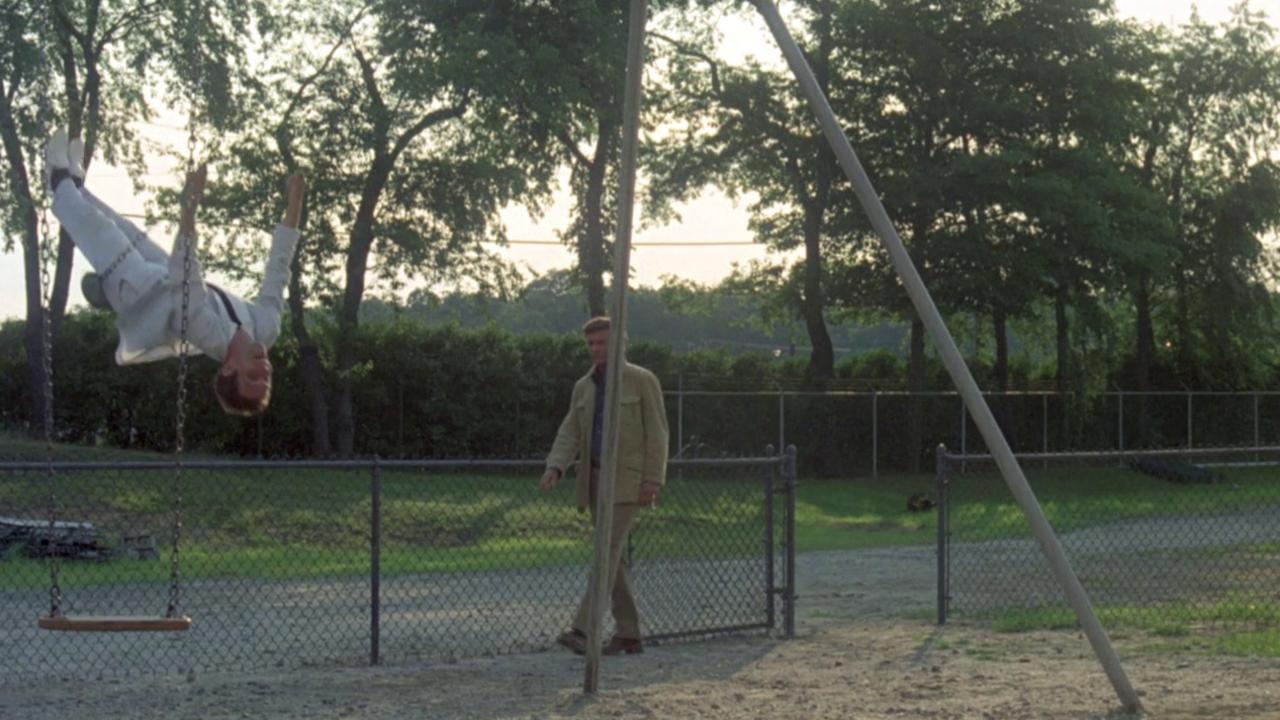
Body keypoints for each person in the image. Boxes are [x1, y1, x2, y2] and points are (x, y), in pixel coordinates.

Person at [44, 129, 305, 417]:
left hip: (140, 295)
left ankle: (57, 180)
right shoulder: (265, 328)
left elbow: (187, 278)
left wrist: (189, 207)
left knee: (100, 230)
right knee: (123, 226)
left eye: (253, 377)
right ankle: (77, 187)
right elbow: (278, 271)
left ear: (229, 367)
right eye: (267, 379)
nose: (264, 370)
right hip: (166, 278)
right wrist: (295, 203)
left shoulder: (209, 335)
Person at [540, 316, 669, 656]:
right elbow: (570, 430)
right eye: (591, 344)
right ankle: (629, 634)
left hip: (628, 481)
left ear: (620, 343)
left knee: (606, 551)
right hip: (594, 480)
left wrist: (653, 478)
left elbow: (658, 433)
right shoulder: (583, 387)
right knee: (615, 558)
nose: (596, 349)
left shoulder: (642, 380)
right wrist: (555, 466)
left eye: (603, 342)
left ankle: (583, 629)